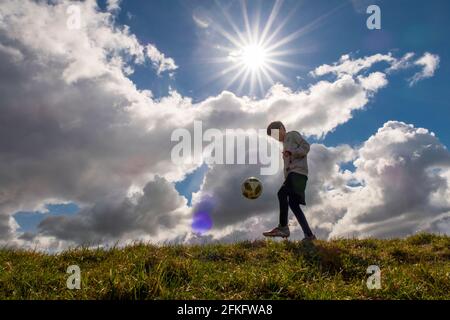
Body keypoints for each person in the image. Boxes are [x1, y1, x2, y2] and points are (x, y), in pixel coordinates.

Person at [263, 121, 316, 241]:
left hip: (298, 174)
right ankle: (309, 235)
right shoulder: (284, 145)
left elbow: (306, 147)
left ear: (282, 128)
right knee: (294, 205)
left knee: (281, 193)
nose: (276, 138)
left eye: (276, 134)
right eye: (273, 137)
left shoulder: (292, 135)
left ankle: (283, 227)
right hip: (295, 176)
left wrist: (292, 153)